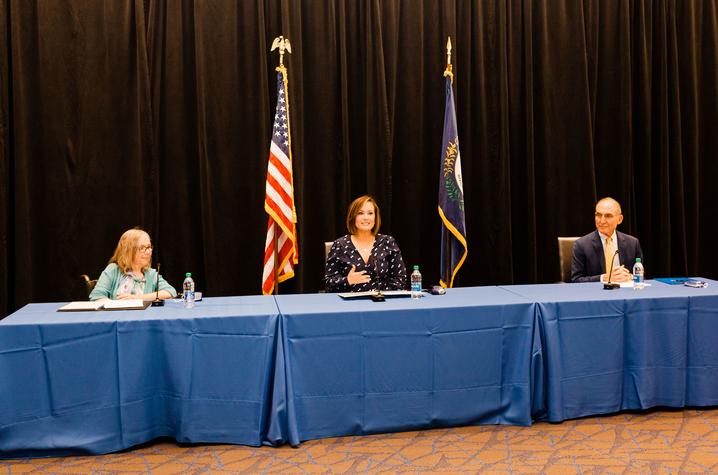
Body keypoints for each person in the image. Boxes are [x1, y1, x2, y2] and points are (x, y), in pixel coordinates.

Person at [324, 195, 408, 292]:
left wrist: (378, 293)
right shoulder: (340, 245)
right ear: (353, 216)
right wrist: (347, 280)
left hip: (381, 302)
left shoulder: (387, 242)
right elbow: (329, 282)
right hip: (349, 303)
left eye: (370, 213)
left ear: (375, 217)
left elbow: (400, 279)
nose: (366, 218)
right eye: (360, 213)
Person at [89, 228, 177, 301]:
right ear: (128, 251)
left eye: (149, 247)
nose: (148, 252)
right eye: (142, 248)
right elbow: (97, 296)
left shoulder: (151, 274)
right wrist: (115, 306)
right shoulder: (113, 270)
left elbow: (170, 292)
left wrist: (137, 298)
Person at [571, 197, 643, 283]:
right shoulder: (581, 245)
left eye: (608, 216)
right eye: (598, 215)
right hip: (596, 293)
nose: (602, 220)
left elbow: (641, 275)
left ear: (619, 219)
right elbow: (576, 279)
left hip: (625, 292)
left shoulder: (632, 243)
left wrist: (630, 277)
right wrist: (604, 278)